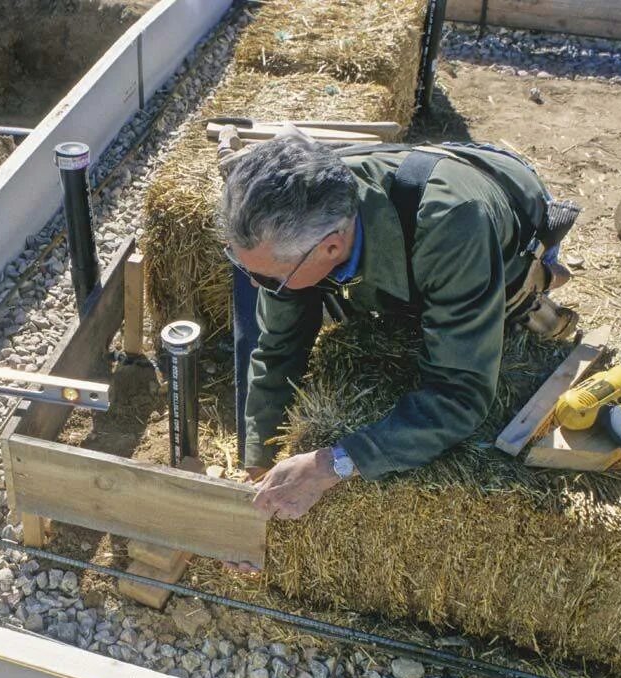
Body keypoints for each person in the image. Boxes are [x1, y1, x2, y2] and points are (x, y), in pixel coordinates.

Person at [216, 133, 576, 535]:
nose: (258, 284)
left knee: (467, 318)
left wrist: (333, 463)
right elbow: (278, 347)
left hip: (504, 210)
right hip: (401, 227)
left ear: (332, 248)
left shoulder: (453, 225)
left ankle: (536, 285)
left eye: (268, 277)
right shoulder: (298, 227)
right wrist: (258, 471)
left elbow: (460, 396)